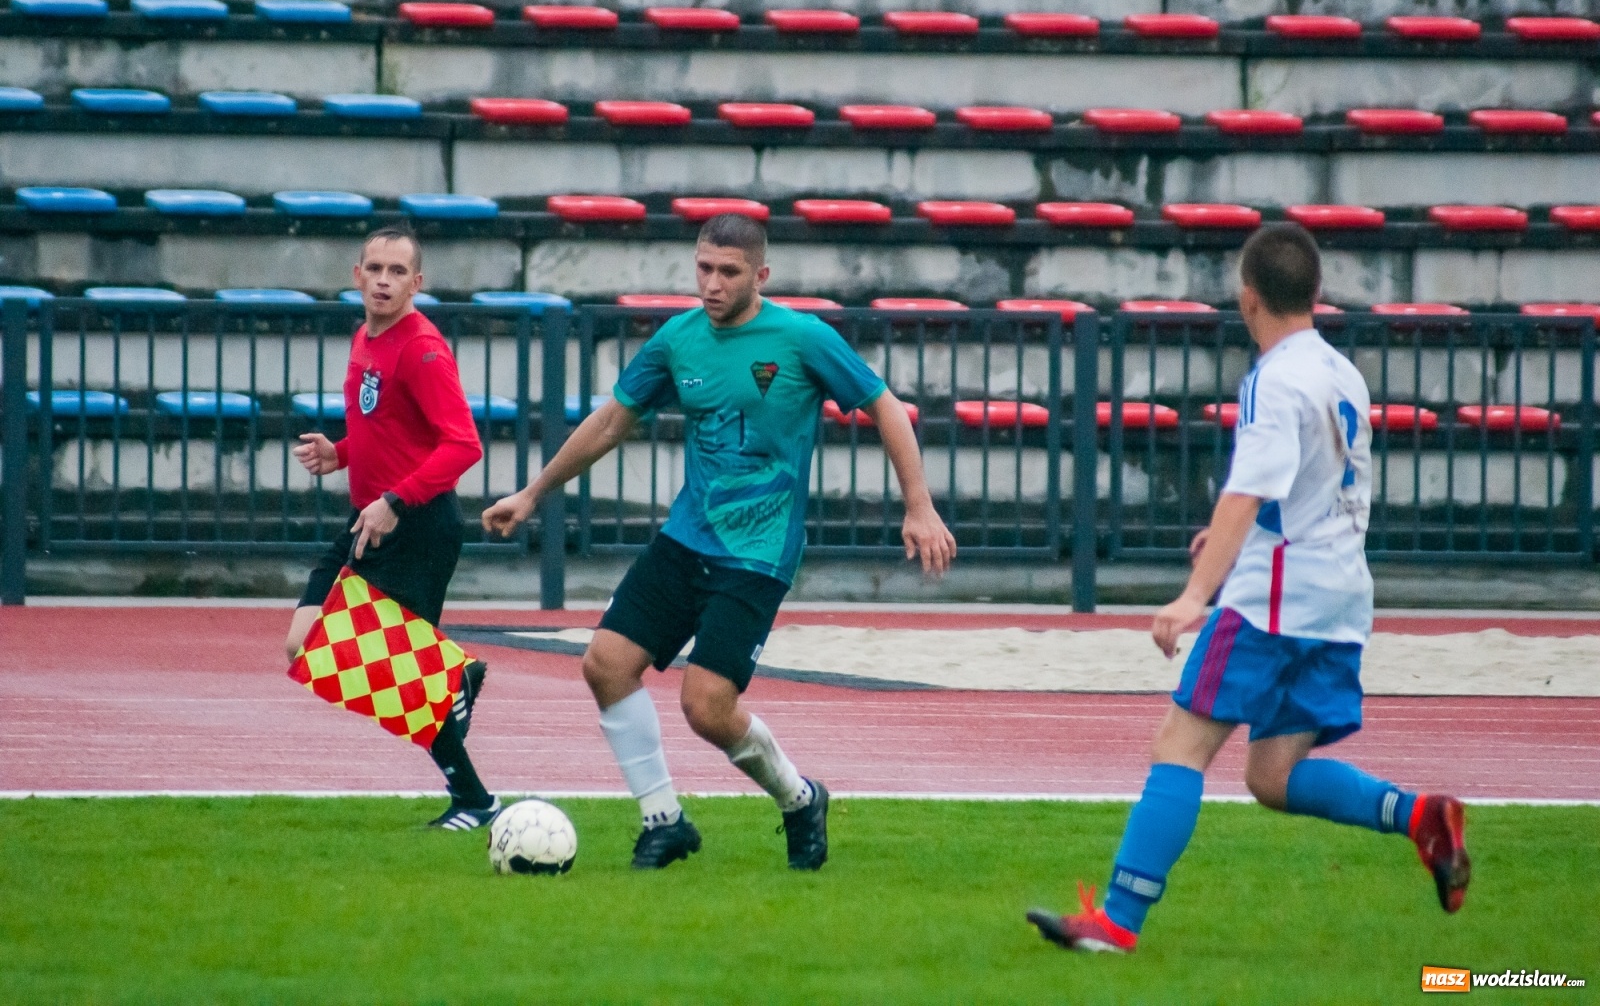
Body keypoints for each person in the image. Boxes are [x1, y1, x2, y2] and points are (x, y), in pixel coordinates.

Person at [1027, 224, 1470, 953]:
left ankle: (1116, 922)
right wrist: (1247, 532)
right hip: (1340, 595)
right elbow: (1308, 485)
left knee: (1180, 747)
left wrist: (1194, 594)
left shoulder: (1273, 378)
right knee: (1272, 775)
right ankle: (1420, 815)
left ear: (1248, 298)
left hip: (1275, 599)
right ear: (1317, 294)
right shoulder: (1341, 373)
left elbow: (1249, 488)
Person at [483, 213, 956, 870]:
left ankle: (798, 799)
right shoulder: (679, 339)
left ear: (760, 276)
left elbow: (884, 406)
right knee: (605, 664)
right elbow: (613, 418)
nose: (712, 283)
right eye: (704, 267)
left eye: (728, 272)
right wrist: (533, 493)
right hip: (686, 539)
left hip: (758, 555)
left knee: (706, 707)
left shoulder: (800, 338)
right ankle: (663, 821)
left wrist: (919, 507)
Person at [287, 224, 499, 830]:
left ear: (417, 283)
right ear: (357, 275)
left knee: (401, 675)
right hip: (371, 518)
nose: (384, 280)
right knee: (303, 640)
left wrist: (394, 502)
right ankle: (453, 676)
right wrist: (342, 453)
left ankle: (475, 801)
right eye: (374, 268)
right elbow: (391, 430)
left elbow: (462, 445)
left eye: (397, 271)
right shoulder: (365, 335)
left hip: (417, 525)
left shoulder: (423, 349)